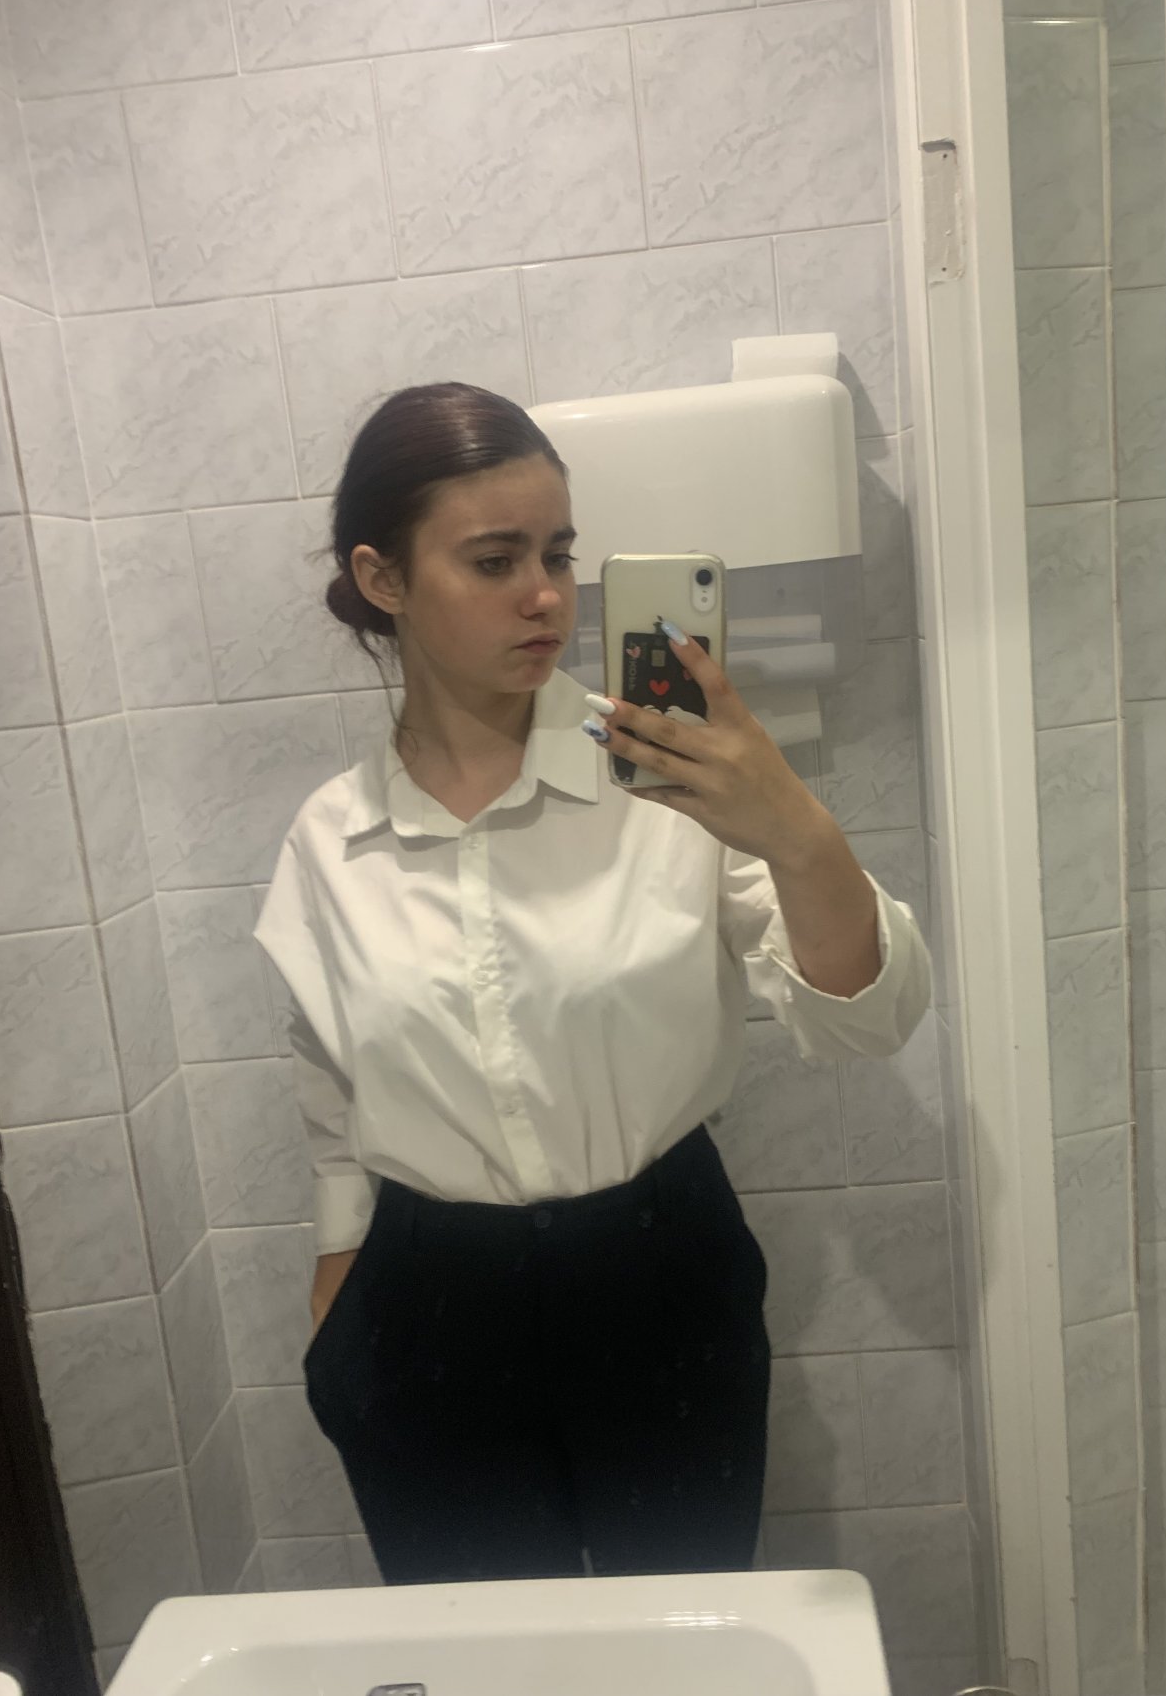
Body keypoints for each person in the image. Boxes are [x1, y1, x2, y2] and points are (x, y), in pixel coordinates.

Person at [255, 382, 931, 1587]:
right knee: (479, 1656)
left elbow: (869, 1019)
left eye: (558, 554)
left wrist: (792, 825)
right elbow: (330, 1078)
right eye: (494, 559)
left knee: (672, 1643)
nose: (547, 595)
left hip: (656, 1276)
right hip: (423, 1304)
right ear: (382, 578)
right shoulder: (330, 838)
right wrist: (339, 1273)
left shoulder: (669, 783)